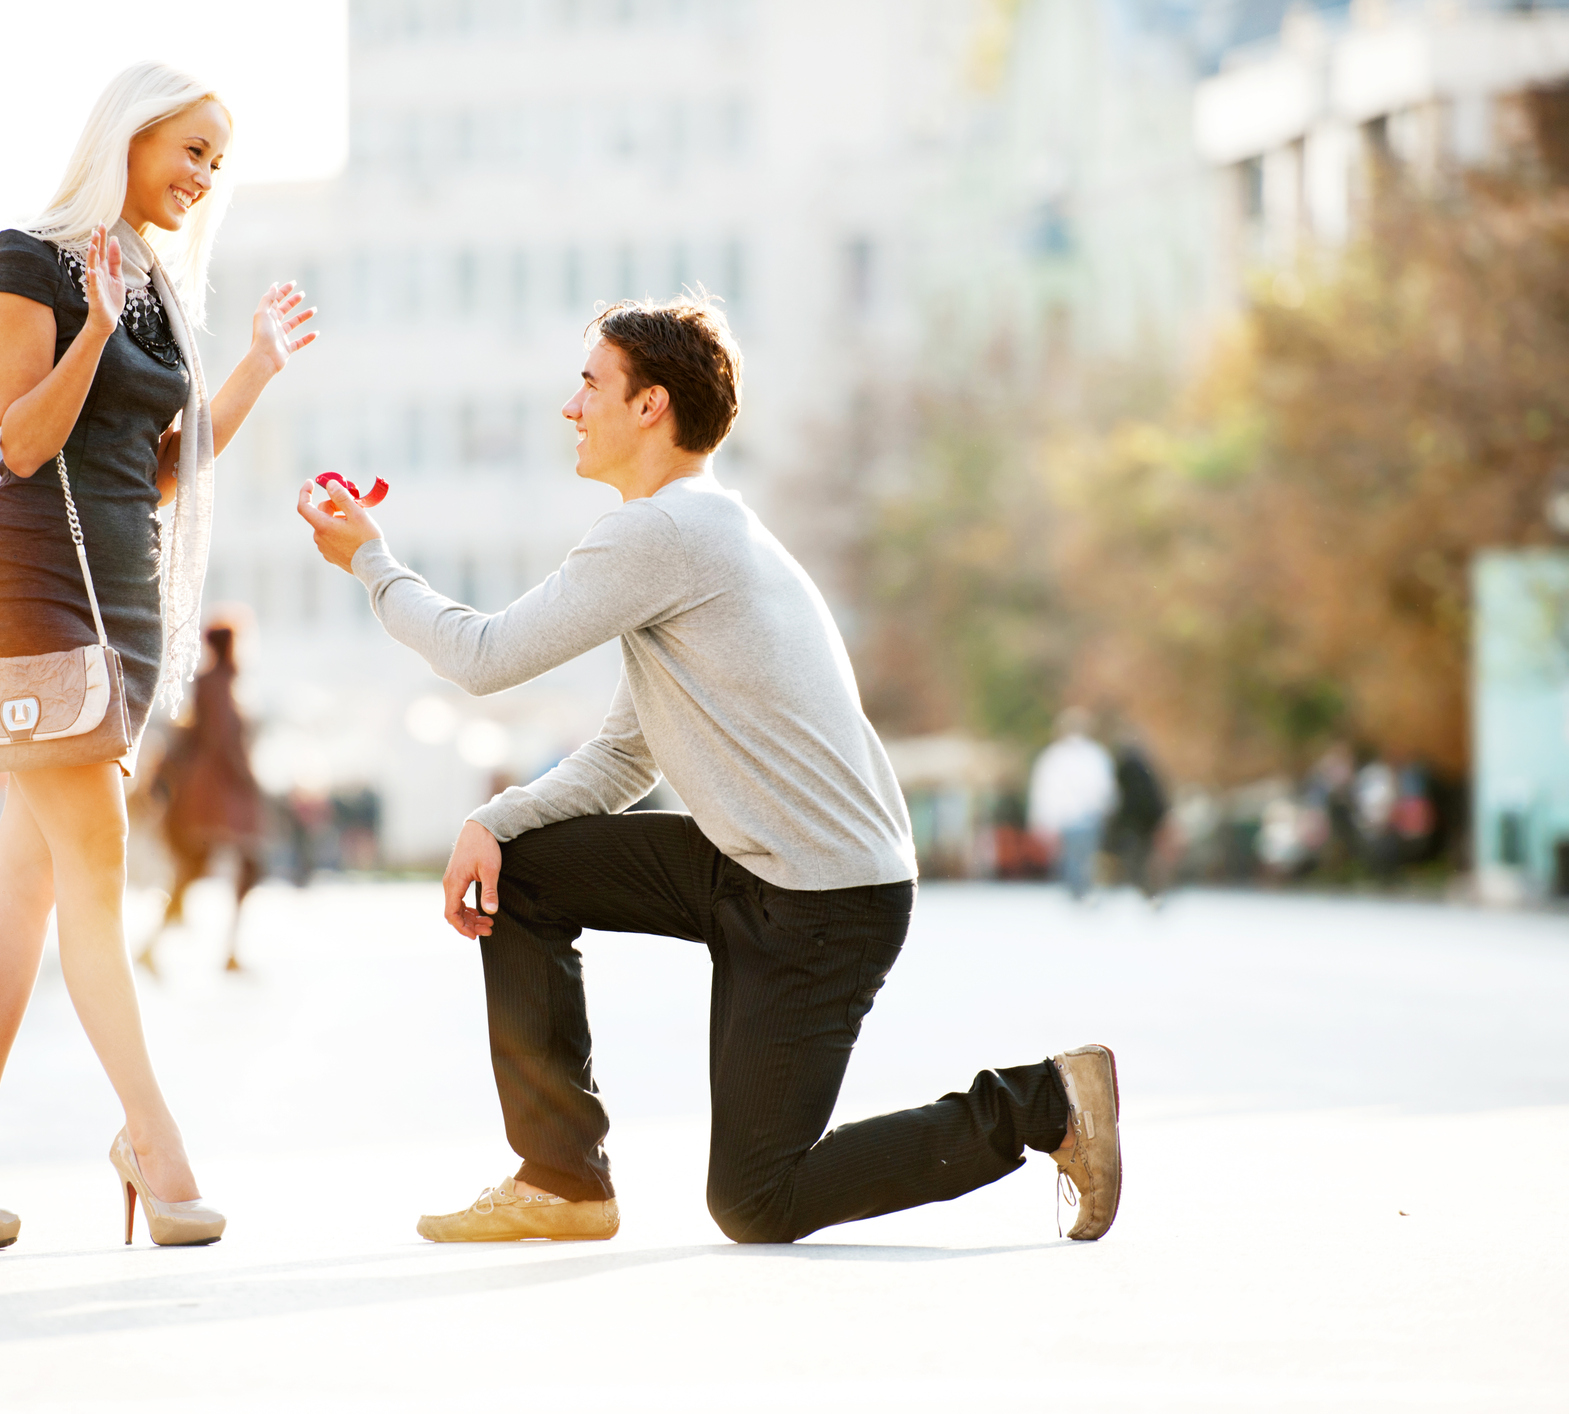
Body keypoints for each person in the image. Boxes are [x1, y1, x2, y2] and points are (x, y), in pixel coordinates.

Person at [297, 295, 1122, 1246]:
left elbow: (484, 658)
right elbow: (622, 756)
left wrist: (373, 564)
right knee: (518, 871)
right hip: (755, 867)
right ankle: (562, 1182)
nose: (571, 408)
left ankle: (1043, 1105)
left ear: (650, 406)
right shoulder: (688, 535)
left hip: (825, 900)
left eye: (589, 384)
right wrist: (496, 822)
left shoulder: (664, 532)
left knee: (756, 1200)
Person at [0, 61, 317, 1253]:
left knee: (28, 884)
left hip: (126, 612)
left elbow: (170, 467)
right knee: (95, 867)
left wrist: (249, 367)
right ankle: (153, 1137)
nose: (203, 177)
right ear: (129, 138)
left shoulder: (154, 287)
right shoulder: (32, 261)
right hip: (38, 598)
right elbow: (25, 439)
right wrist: (89, 328)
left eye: (217, 162)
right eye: (190, 149)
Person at [146, 622, 264, 973]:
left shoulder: (213, 682)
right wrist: (250, 781)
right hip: (219, 793)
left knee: (200, 869)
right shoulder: (219, 683)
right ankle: (225, 951)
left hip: (211, 791)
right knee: (241, 866)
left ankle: (156, 947)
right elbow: (224, 741)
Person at [1028, 707, 1117, 901]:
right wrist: (1106, 810)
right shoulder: (1096, 755)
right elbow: (1105, 790)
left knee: (1070, 860)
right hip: (1089, 818)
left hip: (1066, 819)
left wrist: (1042, 820)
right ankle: (1082, 892)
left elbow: (1045, 792)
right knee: (1085, 859)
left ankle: (1075, 894)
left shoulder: (1053, 756)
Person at [1107, 731, 1168, 900]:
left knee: (1132, 857)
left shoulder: (1126, 768)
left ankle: (1143, 889)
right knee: (1144, 858)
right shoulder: (1146, 767)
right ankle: (1149, 891)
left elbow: (1126, 798)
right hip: (1148, 820)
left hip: (1135, 822)